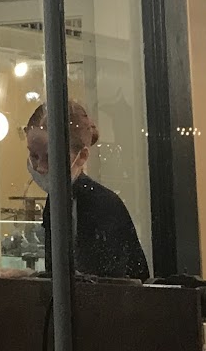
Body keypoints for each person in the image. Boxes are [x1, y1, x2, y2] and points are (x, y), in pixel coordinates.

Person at [23, 100, 150, 280]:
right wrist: (33, 277)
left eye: (51, 157)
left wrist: (38, 278)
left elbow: (104, 282)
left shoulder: (102, 204)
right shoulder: (58, 200)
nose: (40, 167)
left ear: (82, 156)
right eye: (34, 155)